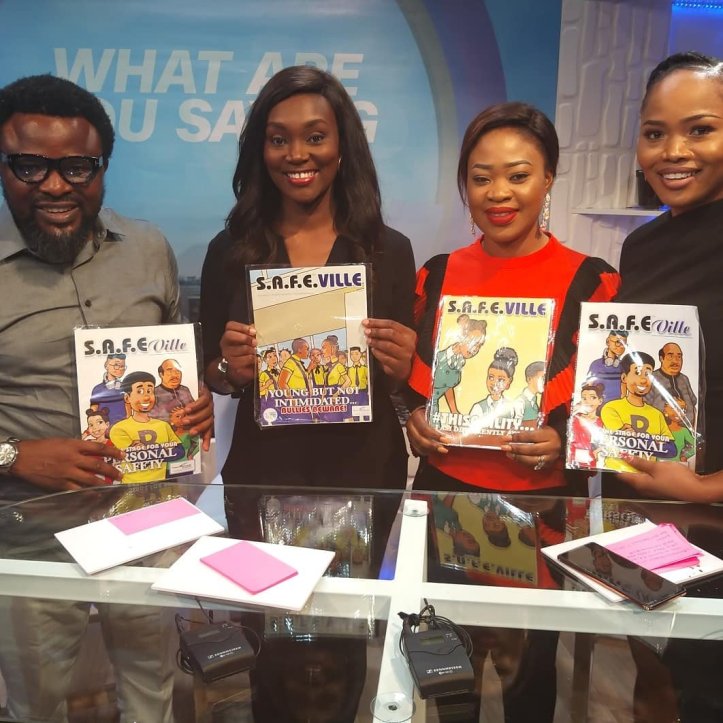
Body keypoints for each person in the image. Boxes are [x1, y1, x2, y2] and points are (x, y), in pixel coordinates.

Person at [199, 65, 415, 723]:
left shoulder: (388, 250)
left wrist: (405, 364)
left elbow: (400, 380)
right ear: (259, 150)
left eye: (315, 136)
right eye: (278, 138)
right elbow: (212, 372)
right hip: (263, 476)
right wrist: (229, 366)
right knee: (267, 635)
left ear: (342, 146)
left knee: (342, 638)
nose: (297, 154)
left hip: (361, 474)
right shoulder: (231, 249)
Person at [0, 74, 212, 722]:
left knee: (151, 695)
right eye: (29, 166)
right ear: (5, 167)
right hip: (30, 531)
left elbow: (176, 366)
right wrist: (14, 453)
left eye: (77, 167)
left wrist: (193, 404)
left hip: (145, 516)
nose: (54, 186)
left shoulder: (148, 248)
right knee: (36, 705)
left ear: (102, 169)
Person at [404, 102, 620, 723]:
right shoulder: (436, 275)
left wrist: (564, 436)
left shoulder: (594, 283)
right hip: (445, 497)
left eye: (518, 175)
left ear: (548, 177)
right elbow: (415, 386)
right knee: (450, 676)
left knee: (527, 678)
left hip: (542, 504)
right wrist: (413, 420)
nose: (498, 193)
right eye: (481, 177)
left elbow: (609, 407)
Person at [611, 51, 723, 723]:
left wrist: (704, 489)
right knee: (654, 676)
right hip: (646, 512)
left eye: (700, 129)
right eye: (655, 133)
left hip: (712, 512)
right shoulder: (643, 246)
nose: (673, 152)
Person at [646, 342, 697, 423]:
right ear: (661, 358)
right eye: (670, 356)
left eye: (679, 357)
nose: (675, 361)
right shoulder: (652, 378)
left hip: (688, 429)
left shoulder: (684, 379)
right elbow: (645, 407)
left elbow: (693, 402)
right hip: (660, 428)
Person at [586, 329, 628, 404]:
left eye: (624, 344)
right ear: (608, 342)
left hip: (618, 406)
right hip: (600, 405)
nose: (621, 346)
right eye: (618, 342)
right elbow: (588, 388)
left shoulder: (624, 366)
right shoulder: (596, 365)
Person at [89, 353, 128, 425]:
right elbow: (93, 410)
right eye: (116, 365)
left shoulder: (125, 387)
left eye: (122, 366)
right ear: (106, 365)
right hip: (104, 427)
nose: (120, 369)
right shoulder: (97, 389)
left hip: (122, 425)